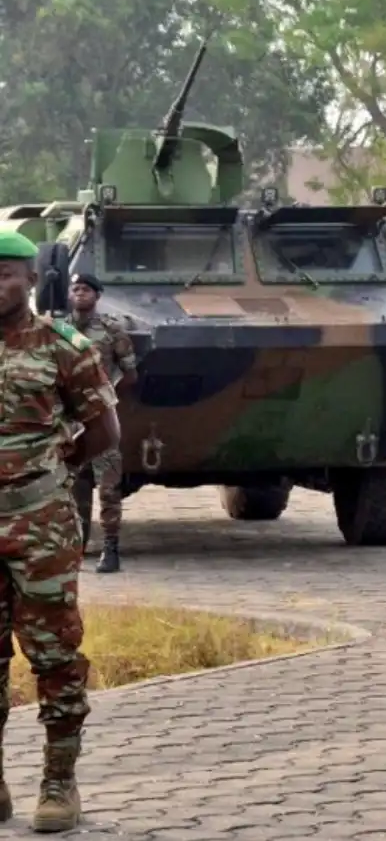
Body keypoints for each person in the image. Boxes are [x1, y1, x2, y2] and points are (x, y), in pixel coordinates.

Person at [0, 230, 122, 832]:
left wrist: (57, 469)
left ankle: (58, 782)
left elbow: (104, 430)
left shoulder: (62, 346)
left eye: (5, 273)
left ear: (30, 280)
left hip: (39, 528)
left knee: (53, 654)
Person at [64, 273, 137, 575]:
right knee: (74, 486)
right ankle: (77, 547)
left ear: (97, 296)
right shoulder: (59, 329)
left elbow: (130, 373)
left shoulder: (111, 329)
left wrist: (107, 401)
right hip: (70, 421)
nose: (80, 293)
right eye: (76, 289)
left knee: (108, 487)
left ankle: (111, 548)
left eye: (86, 289)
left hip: (101, 420)